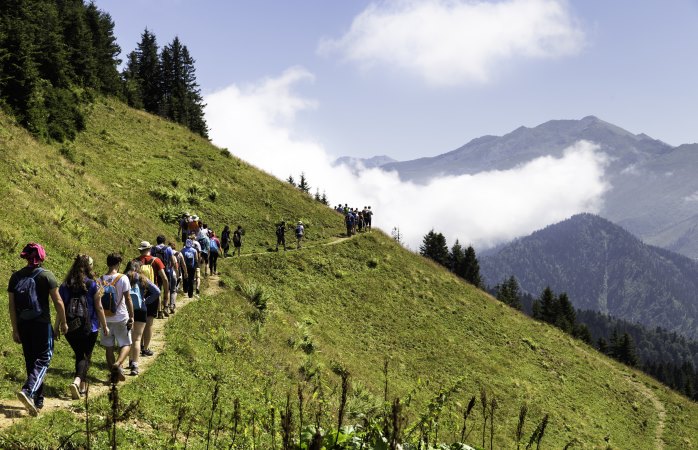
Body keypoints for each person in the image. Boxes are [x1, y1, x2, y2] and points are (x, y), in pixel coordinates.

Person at [8, 243, 68, 415]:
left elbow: (11, 307)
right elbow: (58, 302)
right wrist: (63, 323)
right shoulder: (47, 275)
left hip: (23, 324)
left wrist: (15, 329)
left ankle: (37, 400)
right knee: (44, 358)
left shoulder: (16, 277)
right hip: (42, 324)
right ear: (42, 257)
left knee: (31, 361)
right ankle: (28, 391)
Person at [59, 254, 108, 399]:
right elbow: (99, 307)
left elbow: (60, 307)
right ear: (89, 267)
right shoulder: (93, 284)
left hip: (70, 327)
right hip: (89, 326)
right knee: (85, 356)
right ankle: (77, 381)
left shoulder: (66, 284)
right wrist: (105, 325)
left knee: (81, 355)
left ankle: (81, 388)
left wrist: (59, 326)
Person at [98, 253, 133, 384]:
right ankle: (118, 364)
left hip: (105, 318)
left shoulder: (100, 279)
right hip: (121, 317)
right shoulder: (123, 278)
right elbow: (128, 298)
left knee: (109, 347)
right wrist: (132, 316)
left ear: (107, 264)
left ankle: (113, 378)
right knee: (126, 344)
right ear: (118, 264)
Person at [124, 259, 160, 376]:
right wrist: (146, 301)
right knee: (137, 339)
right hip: (141, 309)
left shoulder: (123, 278)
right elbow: (157, 291)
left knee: (128, 336)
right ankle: (134, 364)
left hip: (126, 309)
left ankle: (128, 360)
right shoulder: (142, 278)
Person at [136, 241, 169, 355]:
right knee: (149, 323)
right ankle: (145, 348)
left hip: (138, 294)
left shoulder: (134, 262)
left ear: (140, 250)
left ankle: (137, 345)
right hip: (152, 293)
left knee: (138, 321)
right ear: (150, 249)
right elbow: (164, 278)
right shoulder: (156, 261)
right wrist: (165, 295)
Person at [151, 235, 177, 316]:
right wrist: (169, 267)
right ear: (164, 241)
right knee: (167, 289)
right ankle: (165, 306)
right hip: (166, 271)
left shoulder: (153, 249)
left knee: (158, 290)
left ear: (157, 241)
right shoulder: (168, 248)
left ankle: (159, 312)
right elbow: (173, 260)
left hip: (156, 272)